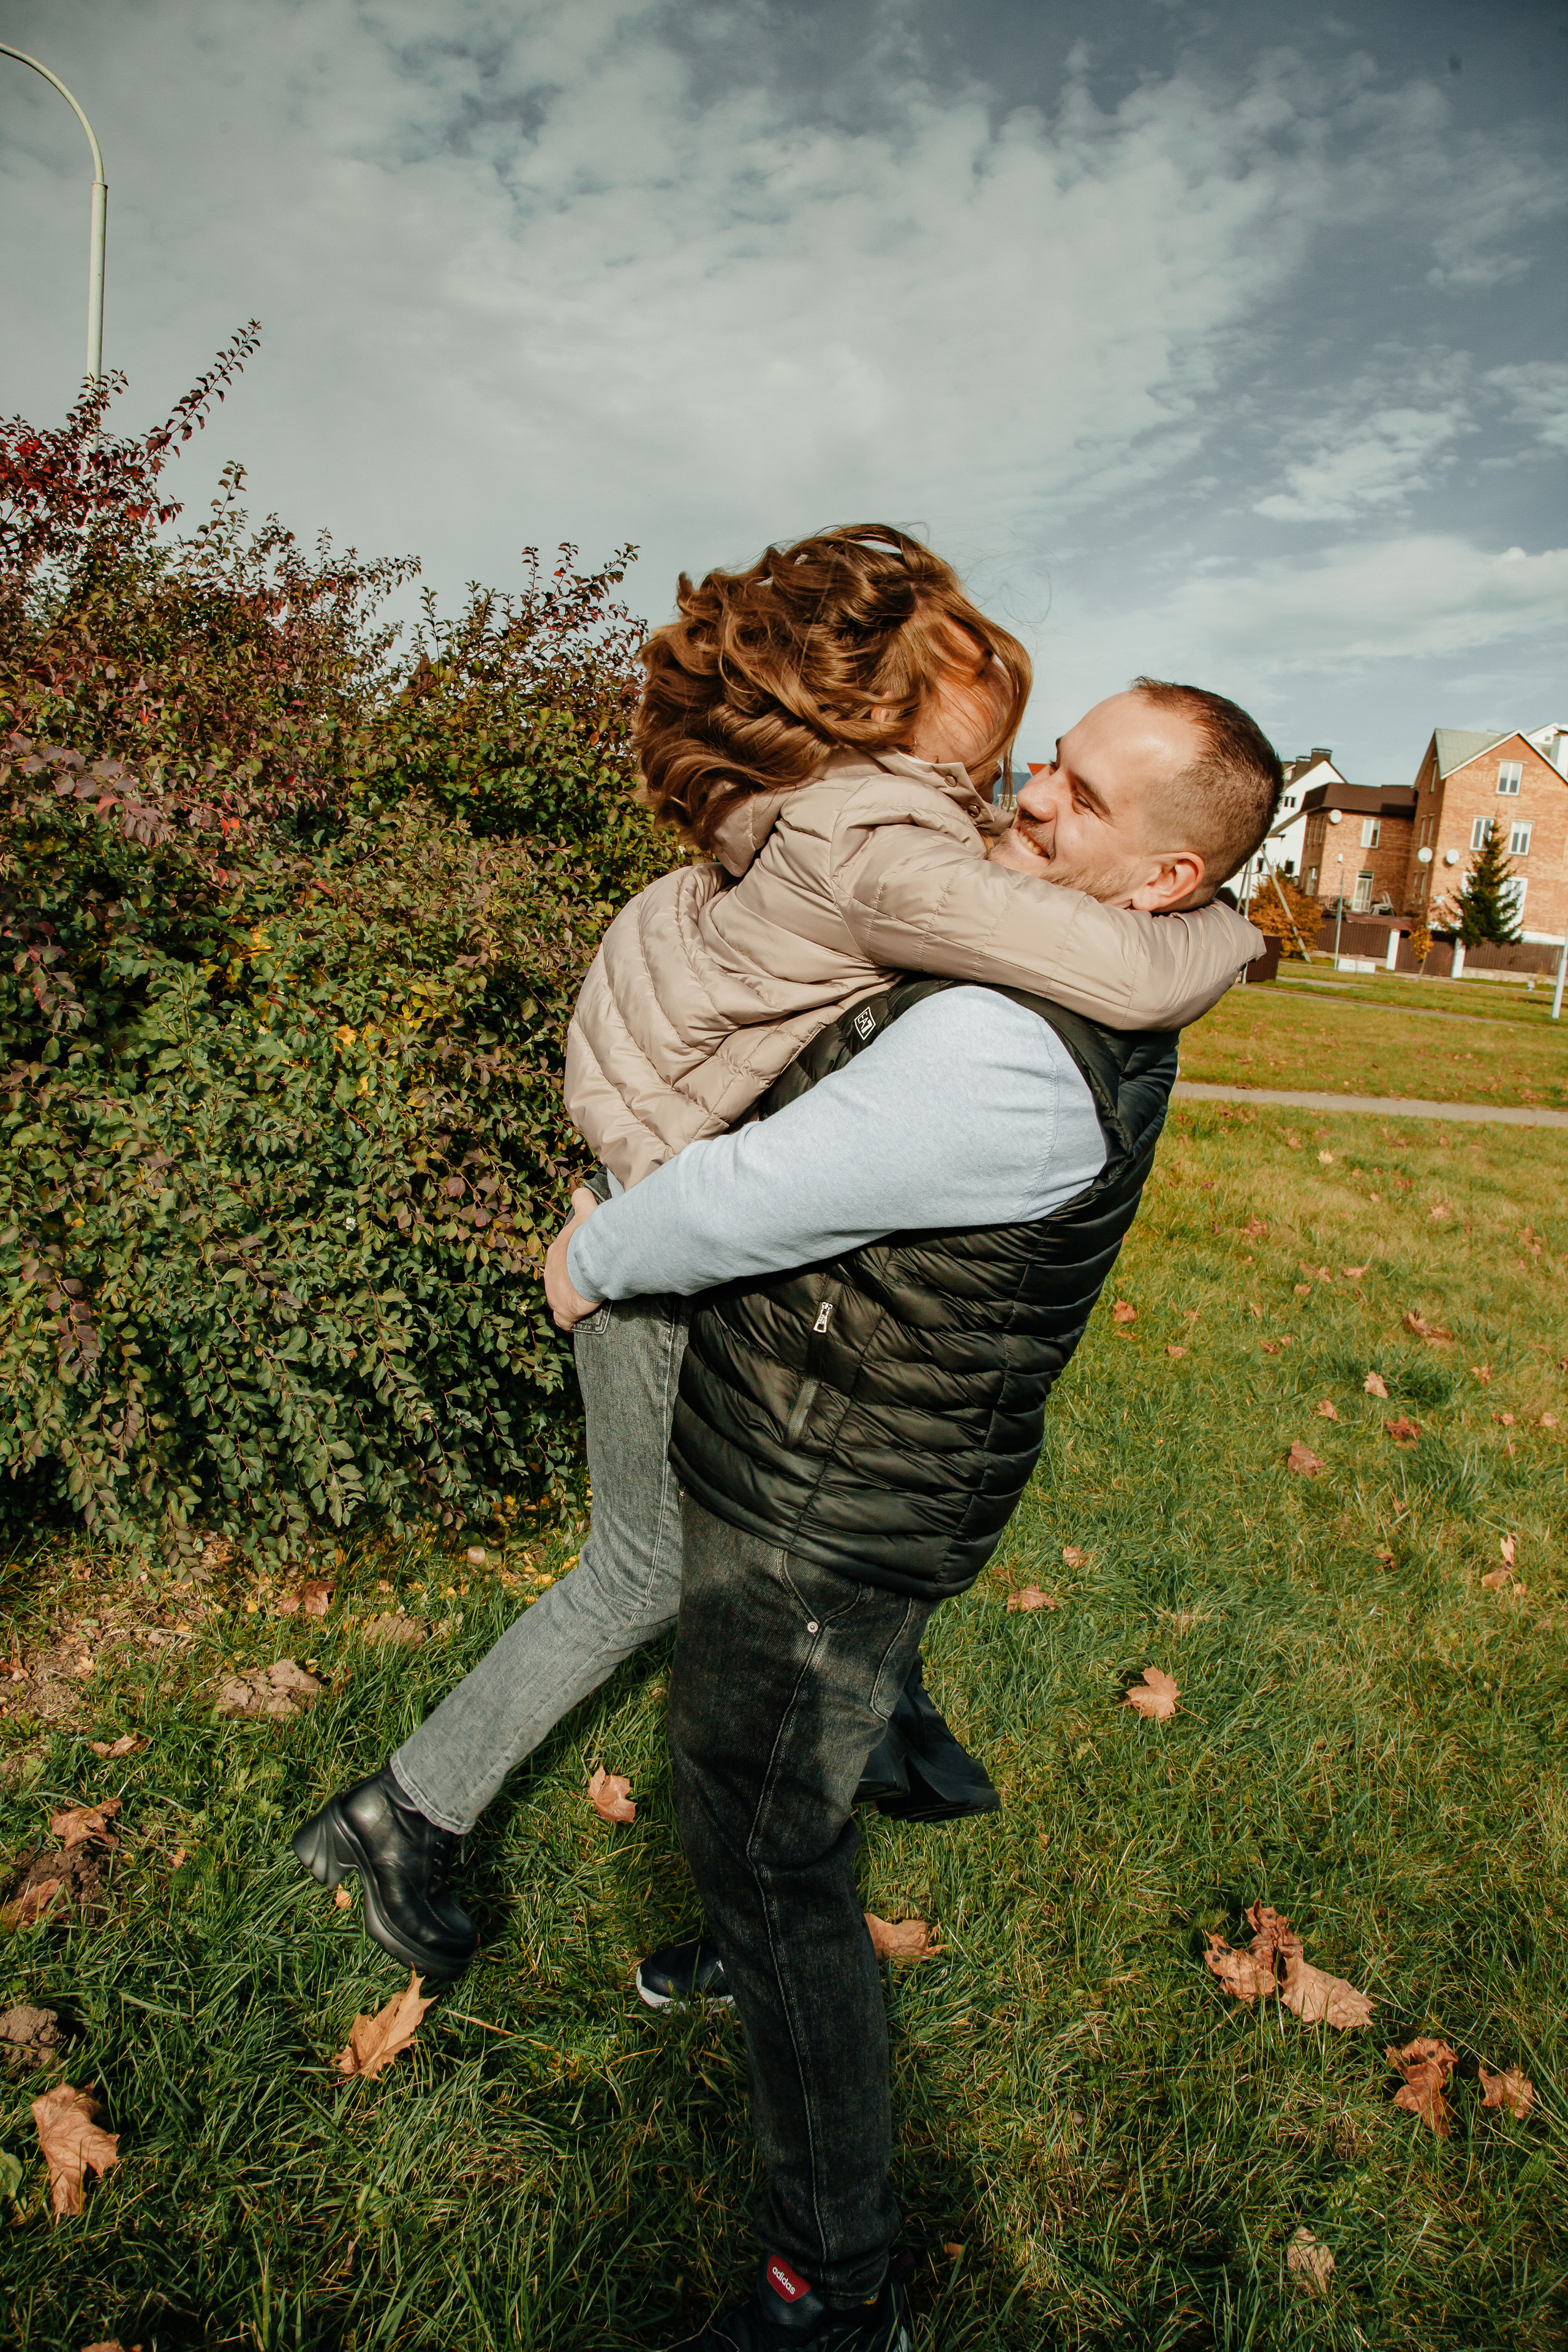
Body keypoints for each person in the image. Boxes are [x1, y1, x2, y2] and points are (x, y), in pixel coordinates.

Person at [293, 528, 1259, 1991]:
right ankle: (403, 1817)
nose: (1012, 772)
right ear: (888, 712)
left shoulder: (842, 808)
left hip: (658, 1189)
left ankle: (860, 1736)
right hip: (654, 1231)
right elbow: (1127, 970)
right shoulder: (882, 845)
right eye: (997, 729)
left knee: (775, 1534)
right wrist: (1229, 933)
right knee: (652, 1566)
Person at [541, 676, 1284, 2351]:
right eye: (1048, 763)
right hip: (883, 1459)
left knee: (765, 1836)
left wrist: (589, 1259)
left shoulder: (1006, 1047)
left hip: (826, 1504)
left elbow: (738, 1201)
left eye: (1083, 799)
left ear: (1169, 885)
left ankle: (831, 2283)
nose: (1028, 799)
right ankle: (757, 1949)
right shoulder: (1086, 978)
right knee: (786, 1778)